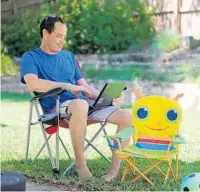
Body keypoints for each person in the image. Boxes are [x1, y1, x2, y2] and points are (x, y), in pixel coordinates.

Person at [20, 14, 133, 181]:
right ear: (45, 33)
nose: (62, 41)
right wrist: (66, 86)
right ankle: (81, 166)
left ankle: (113, 172)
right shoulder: (31, 57)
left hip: (84, 105)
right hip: (57, 109)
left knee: (125, 115)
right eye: (59, 36)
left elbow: (85, 86)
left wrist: (108, 96)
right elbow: (32, 83)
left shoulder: (69, 57)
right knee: (80, 104)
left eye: (64, 37)